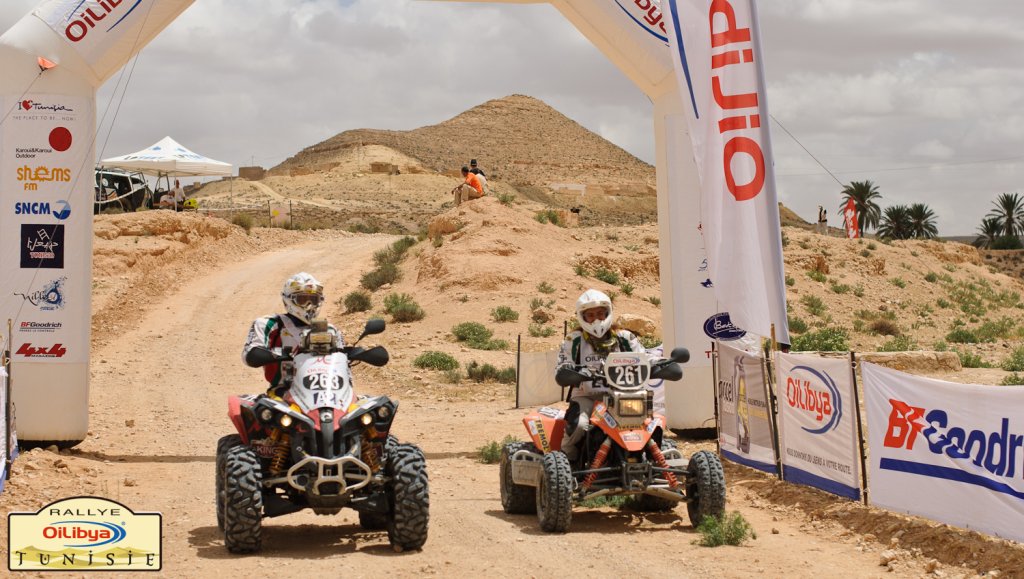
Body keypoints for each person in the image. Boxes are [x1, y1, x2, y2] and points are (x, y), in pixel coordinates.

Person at [555, 289, 644, 461]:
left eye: (600, 314)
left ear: (608, 313)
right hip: (586, 396)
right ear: (582, 317)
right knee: (580, 425)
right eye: (590, 315)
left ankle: (653, 458)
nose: (596, 319)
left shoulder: (625, 338)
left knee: (648, 424)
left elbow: (644, 358)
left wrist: (661, 365)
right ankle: (566, 462)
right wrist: (570, 371)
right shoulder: (574, 340)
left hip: (622, 396)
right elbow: (562, 365)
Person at [242, 272, 344, 394]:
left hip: (328, 392)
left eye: (313, 300)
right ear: (289, 299)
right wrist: (278, 354)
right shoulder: (268, 324)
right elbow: (249, 356)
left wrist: (357, 353)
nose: (309, 305)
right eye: (303, 299)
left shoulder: (330, 330)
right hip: (284, 392)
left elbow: (343, 361)